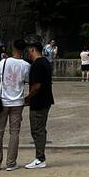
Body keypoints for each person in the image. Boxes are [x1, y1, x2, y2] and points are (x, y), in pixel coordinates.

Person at [0, 39, 30, 172]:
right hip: (18, 102)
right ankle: (11, 162)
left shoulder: (4, 62)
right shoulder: (26, 65)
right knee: (14, 133)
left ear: (13, 47)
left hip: (3, 101)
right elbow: (27, 81)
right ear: (24, 49)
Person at [25, 40, 54, 168]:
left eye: (29, 51)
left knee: (37, 129)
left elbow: (36, 85)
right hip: (46, 99)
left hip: (39, 100)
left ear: (32, 50)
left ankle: (40, 158)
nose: (28, 54)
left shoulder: (37, 64)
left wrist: (27, 97)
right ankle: (40, 157)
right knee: (40, 128)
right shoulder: (46, 62)